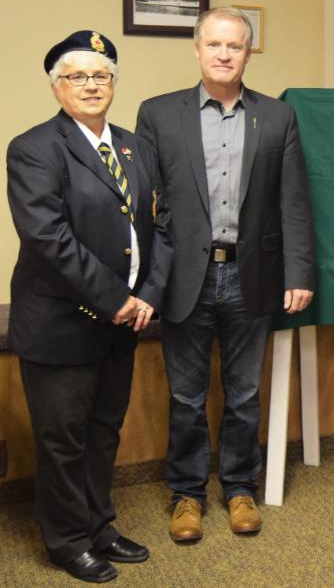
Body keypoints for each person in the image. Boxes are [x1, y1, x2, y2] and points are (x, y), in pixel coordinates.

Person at [136, 7, 315, 542]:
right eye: (213, 44)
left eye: (234, 46)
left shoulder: (277, 117)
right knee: (186, 396)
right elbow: (147, 206)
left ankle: (239, 488)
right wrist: (146, 281)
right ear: (196, 49)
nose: (223, 54)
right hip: (183, 277)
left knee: (243, 394)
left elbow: (295, 202)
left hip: (251, 276)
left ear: (248, 52)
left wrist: (299, 271)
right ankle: (186, 495)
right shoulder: (158, 114)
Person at [7, 31, 172, 582]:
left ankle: (99, 525)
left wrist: (148, 293)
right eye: (77, 76)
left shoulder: (135, 146)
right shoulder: (33, 148)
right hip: (61, 324)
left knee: (104, 431)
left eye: (101, 75)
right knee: (63, 439)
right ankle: (67, 540)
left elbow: (161, 225)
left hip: (122, 322)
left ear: (114, 84)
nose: (91, 85)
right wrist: (115, 298)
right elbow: (48, 238)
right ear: (57, 87)